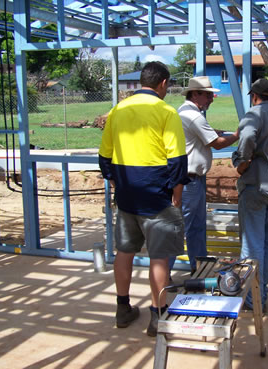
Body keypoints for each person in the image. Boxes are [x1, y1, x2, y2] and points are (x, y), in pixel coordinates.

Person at [98, 61, 189, 336]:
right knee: (159, 257)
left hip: (127, 197)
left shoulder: (118, 110)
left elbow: (104, 156)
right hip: (157, 197)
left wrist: (116, 182)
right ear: (162, 83)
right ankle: (157, 316)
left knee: (124, 252)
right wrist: (177, 196)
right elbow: (177, 160)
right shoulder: (166, 111)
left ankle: (123, 308)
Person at [169, 76, 239, 275]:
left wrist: (215, 132)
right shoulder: (195, 117)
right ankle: (198, 270)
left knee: (186, 226)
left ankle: (196, 269)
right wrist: (237, 135)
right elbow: (216, 143)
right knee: (192, 228)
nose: (212, 99)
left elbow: (200, 135)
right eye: (208, 95)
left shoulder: (185, 112)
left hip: (188, 178)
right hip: (190, 180)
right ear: (196, 94)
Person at [232, 78, 268, 312]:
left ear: (254, 95)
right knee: (264, 244)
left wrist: (241, 163)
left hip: (255, 186)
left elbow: (246, 138)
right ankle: (259, 295)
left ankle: (253, 301)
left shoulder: (253, 114)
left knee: (251, 247)